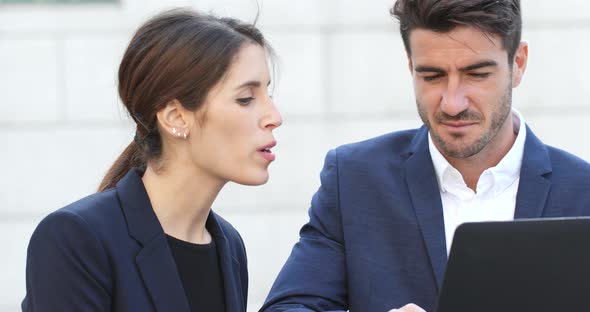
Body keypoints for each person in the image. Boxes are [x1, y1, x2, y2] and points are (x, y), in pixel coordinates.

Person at [261, 0, 590, 311]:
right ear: (411, 67)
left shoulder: (583, 191)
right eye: (432, 76)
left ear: (517, 64)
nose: (452, 103)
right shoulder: (353, 180)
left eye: (477, 74)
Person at [22, 8, 281, 312]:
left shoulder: (229, 246)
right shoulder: (77, 239)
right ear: (176, 117)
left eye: (269, 96)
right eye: (246, 99)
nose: (274, 117)